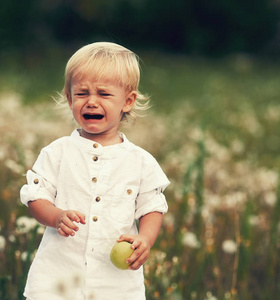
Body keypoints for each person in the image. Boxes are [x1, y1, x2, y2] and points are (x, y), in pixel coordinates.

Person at [20, 42, 170, 300]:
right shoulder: (57, 152)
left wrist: (145, 239)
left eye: (103, 94)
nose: (91, 102)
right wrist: (56, 216)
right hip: (58, 278)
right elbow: (36, 197)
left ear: (128, 101)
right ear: (69, 99)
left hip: (115, 284)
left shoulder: (140, 161)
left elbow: (151, 207)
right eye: (81, 93)